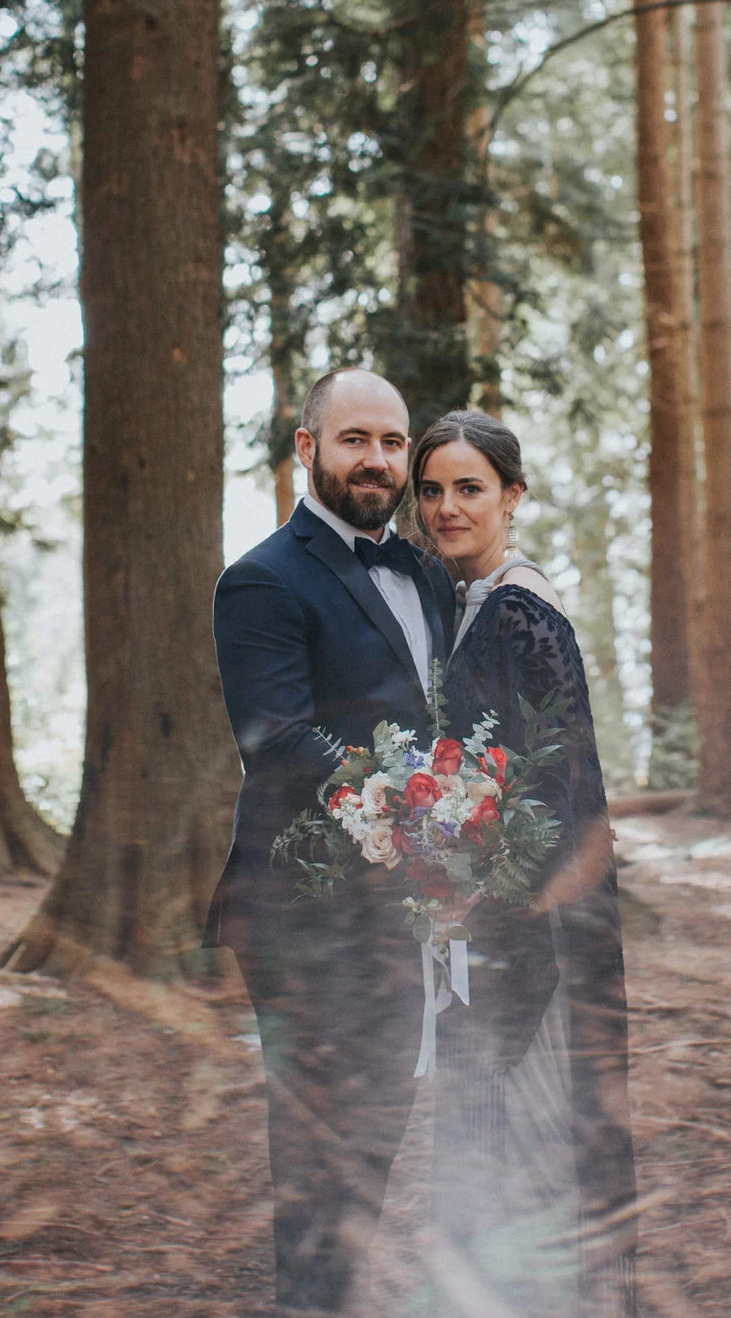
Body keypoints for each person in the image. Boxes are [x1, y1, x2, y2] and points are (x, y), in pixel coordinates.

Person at [210, 368, 457, 1316]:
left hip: (397, 904)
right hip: (301, 911)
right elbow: (277, 741)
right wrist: (420, 801)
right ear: (307, 447)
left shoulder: (425, 574)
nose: (378, 460)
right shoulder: (262, 579)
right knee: (321, 1144)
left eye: (393, 442)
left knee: (381, 1118)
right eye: (356, 439)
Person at [414, 409, 639, 1317]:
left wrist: (484, 888)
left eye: (469, 488)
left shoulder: (521, 611)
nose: (446, 507)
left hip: (532, 932)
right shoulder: (465, 602)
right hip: (483, 920)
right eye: (432, 490)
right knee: (483, 1140)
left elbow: (559, 782)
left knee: (530, 1137)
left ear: (512, 496)